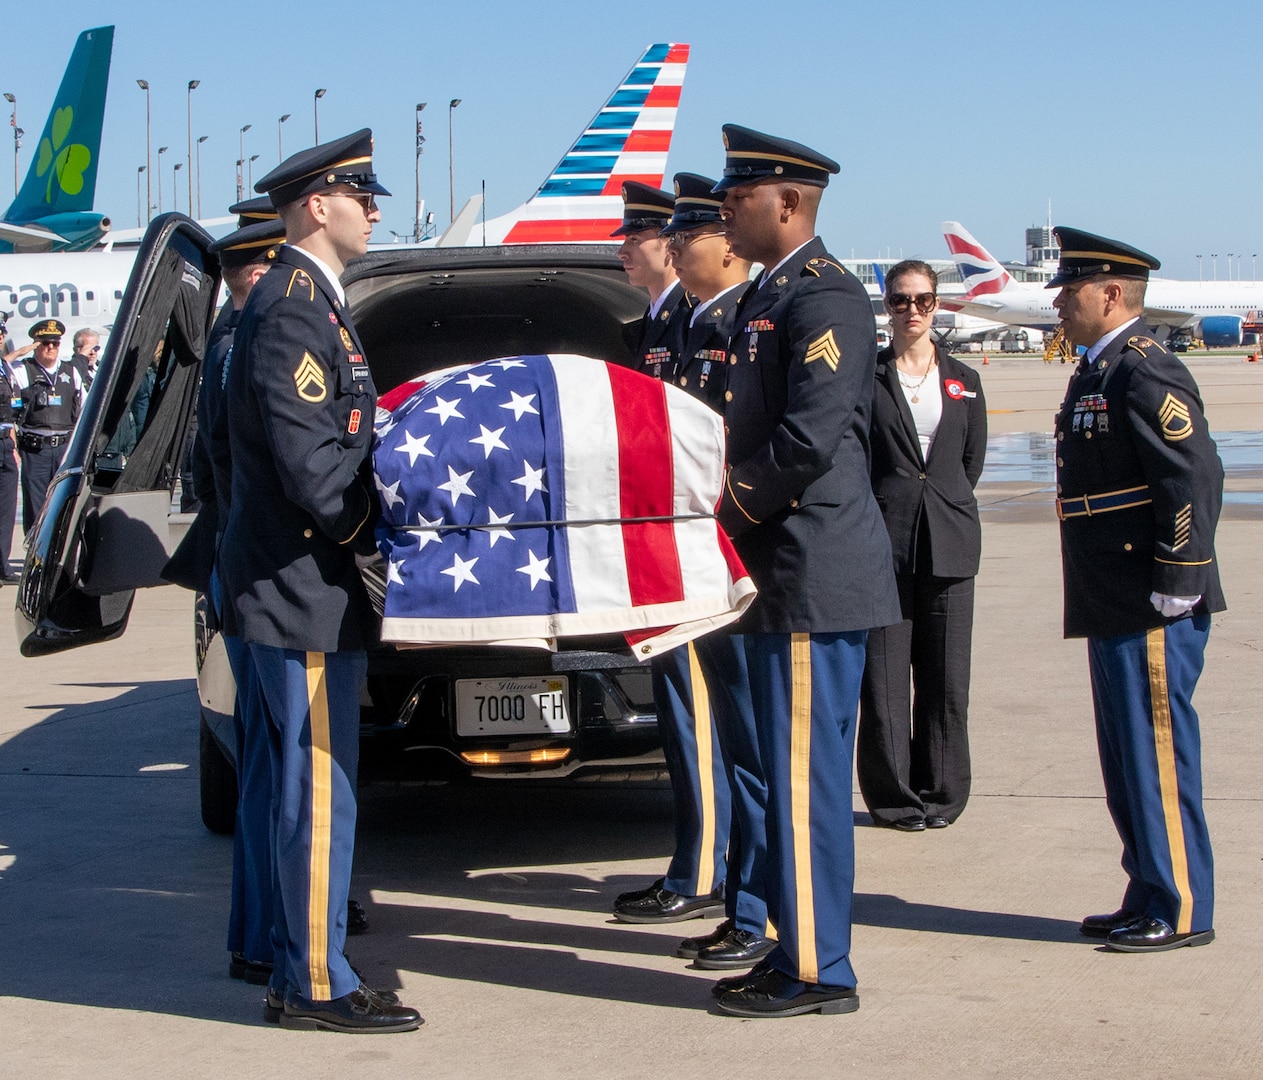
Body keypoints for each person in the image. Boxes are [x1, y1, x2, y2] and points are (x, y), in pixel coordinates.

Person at [221, 129, 421, 1032]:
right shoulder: (297, 308)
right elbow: (314, 465)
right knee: (316, 790)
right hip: (303, 586)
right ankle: (315, 985)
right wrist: (380, 539)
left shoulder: (311, 302)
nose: (374, 209)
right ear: (316, 205)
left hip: (296, 583)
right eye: (360, 195)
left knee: (300, 788)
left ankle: (284, 957)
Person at [708, 125, 900, 1017]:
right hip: (782, 569)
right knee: (788, 782)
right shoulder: (770, 298)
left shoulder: (823, 301)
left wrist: (723, 510)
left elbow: (809, 439)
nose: (722, 209)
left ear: (786, 203)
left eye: (736, 196)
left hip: (809, 571)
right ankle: (797, 947)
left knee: (804, 784)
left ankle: (820, 968)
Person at [1049, 226, 1224, 953]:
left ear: (1110, 294)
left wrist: (1180, 576)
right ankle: (1147, 885)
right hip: (1109, 589)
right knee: (1125, 753)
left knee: (1154, 750)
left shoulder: (1142, 369)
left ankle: (1180, 903)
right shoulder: (1096, 369)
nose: (1058, 302)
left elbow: (1190, 475)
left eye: (1070, 289)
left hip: (1148, 593)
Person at [654, 172, 774, 972]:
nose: (672, 249)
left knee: (754, 748)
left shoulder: (745, 324)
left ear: (725, 247)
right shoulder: (692, 327)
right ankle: (741, 903)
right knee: (732, 744)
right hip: (695, 556)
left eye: (685, 237)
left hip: (737, 555)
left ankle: (758, 911)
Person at [610, 180, 729, 930]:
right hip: (658, 539)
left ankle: (704, 868)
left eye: (639, 236)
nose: (627, 248)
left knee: (697, 712)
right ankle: (695, 860)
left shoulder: (695, 323)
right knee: (679, 709)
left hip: (691, 542)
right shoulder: (658, 326)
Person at [858, 261, 987, 831]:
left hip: (950, 542)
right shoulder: (866, 376)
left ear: (937, 305)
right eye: (901, 300)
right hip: (884, 542)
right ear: (886, 306)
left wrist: (942, 504)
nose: (912, 310)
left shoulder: (964, 379)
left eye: (924, 300)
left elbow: (969, 462)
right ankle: (894, 797)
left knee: (945, 676)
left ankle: (943, 793)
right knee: (883, 680)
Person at [10, 319, 85, 533]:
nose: (50, 347)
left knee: (65, 501)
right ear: (35, 344)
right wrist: (18, 353)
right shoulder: (23, 371)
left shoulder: (70, 372)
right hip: (35, 449)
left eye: (55, 343)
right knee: (36, 505)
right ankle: (34, 553)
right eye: (44, 343)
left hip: (64, 448)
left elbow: (83, 408)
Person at [613, 181, 693, 378]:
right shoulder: (652, 317)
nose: (622, 253)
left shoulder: (691, 313)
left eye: (634, 240)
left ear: (669, 244)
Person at [0, 351, 19, 581]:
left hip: (5, 442)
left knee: (6, 511)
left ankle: (2, 565)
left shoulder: (5, 368)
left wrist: (13, 444)